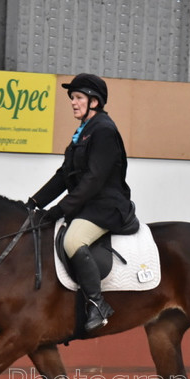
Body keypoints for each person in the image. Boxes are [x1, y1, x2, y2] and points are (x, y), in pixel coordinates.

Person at [27, 73, 137, 332]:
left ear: (94, 102)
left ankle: (98, 304)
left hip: (106, 207)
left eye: (78, 98)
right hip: (88, 205)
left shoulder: (104, 131)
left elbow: (94, 180)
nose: (73, 103)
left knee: (73, 240)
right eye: (72, 98)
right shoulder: (83, 133)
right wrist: (34, 202)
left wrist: (59, 210)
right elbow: (64, 175)